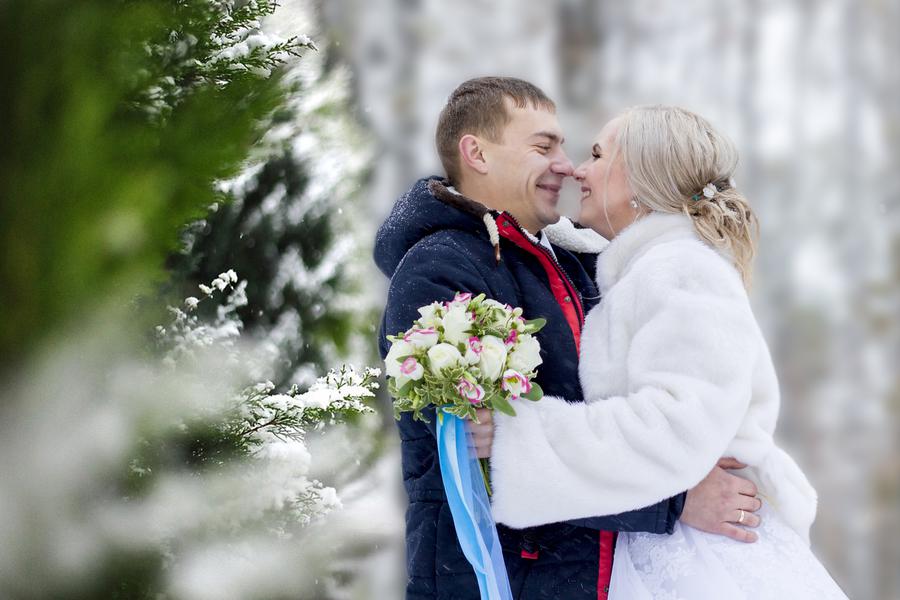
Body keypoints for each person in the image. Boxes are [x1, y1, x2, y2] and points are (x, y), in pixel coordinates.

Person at [375, 77, 761, 600]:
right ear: (477, 153)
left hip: (594, 573)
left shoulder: (580, 261)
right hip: (500, 579)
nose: (567, 163)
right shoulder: (440, 269)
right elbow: (470, 456)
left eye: (569, 146)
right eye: (543, 146)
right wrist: (673, 501)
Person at [477, 105, 848, 598]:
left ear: (639, 179)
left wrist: (516, 438)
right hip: (669, 539)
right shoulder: (652, 268)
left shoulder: (681, 269)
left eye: (597, 154)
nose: (578, 170)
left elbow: (674, 425)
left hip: (700, 554)